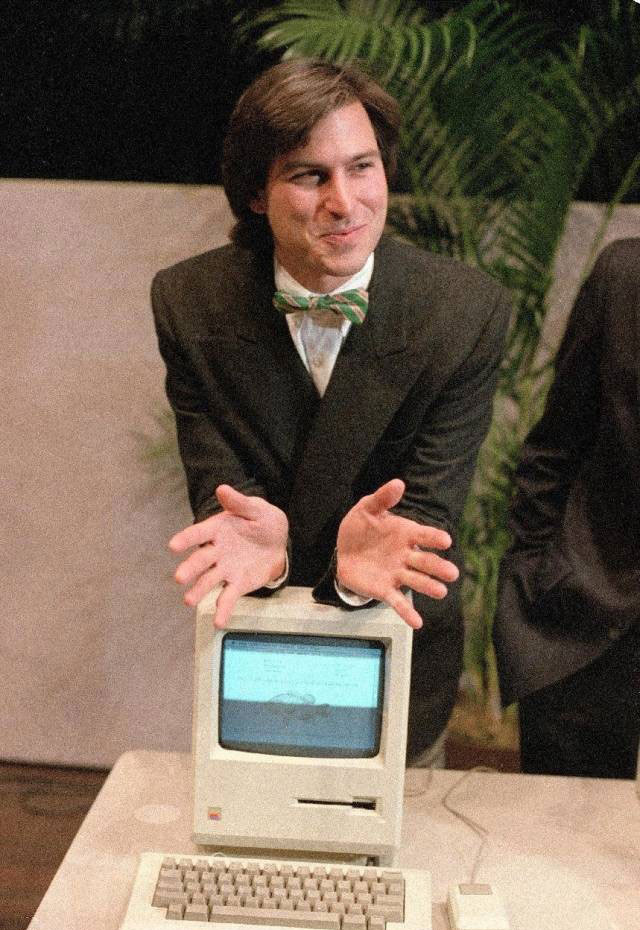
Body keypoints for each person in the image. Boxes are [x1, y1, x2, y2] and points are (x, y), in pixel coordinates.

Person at [152, 59, 510, 764]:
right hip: (259, 646)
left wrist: (353, 575)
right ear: (255, 194)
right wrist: (266, 551)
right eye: (309, 175)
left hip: (396, 638)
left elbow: (423, 512)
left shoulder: (464, 311)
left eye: (362, 167)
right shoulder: (191, 303)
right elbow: (222, 486)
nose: (344, 202)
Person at [494, 238, 640, 779]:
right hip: (586, 622)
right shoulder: (625, 274)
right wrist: (535, 566)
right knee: (562, 823)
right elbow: (557, 443)